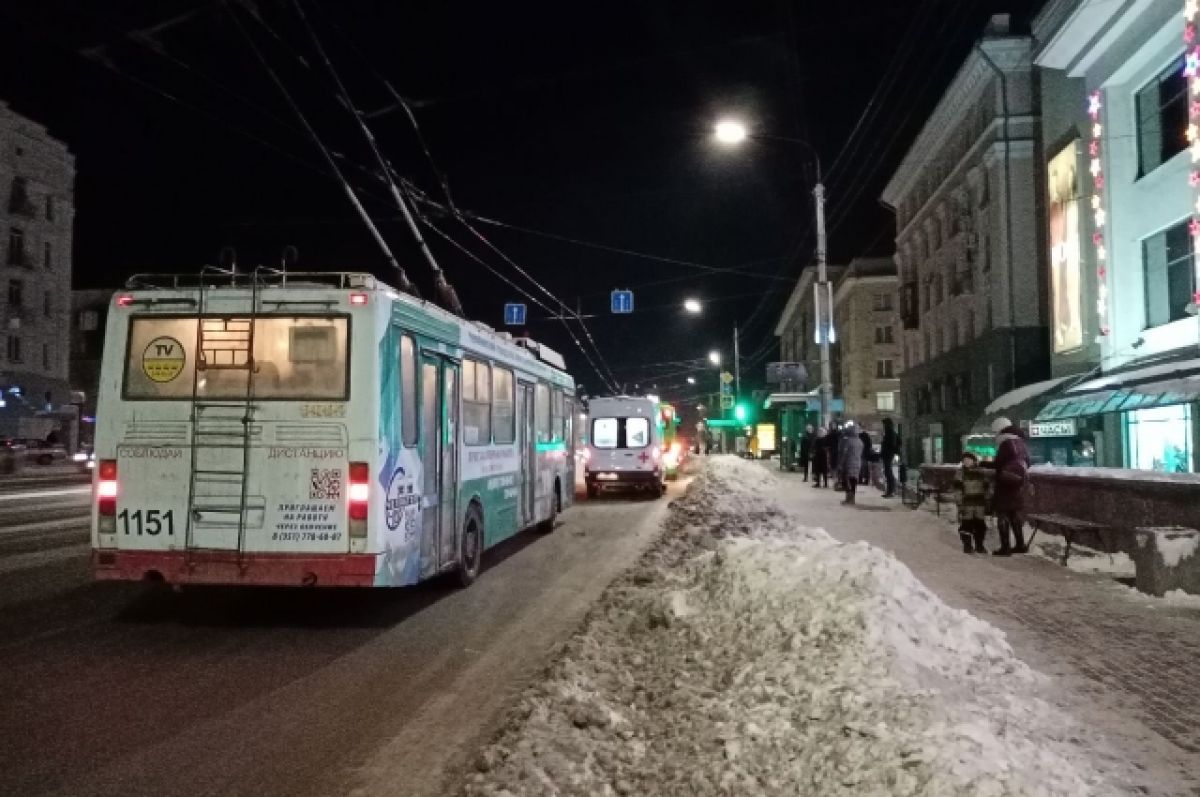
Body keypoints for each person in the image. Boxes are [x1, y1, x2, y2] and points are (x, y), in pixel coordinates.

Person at [985, 416, 1031, 556]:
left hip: (1005, 483)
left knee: (1002, 514)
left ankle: (1005, 548)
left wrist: (983, 463)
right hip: (1018, 483)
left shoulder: (1006, 443)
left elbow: (998, 464)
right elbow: (1028, 462)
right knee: (1014, 513)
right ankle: (1020, 544)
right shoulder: (1020, 443)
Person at [954, 451, 990, 554]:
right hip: (967, 504)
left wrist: (987, 501)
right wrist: (960, 503)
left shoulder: (982, 472)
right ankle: (967, 545)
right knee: (966, 525)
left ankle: (979, 545)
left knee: (980, 525)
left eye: (968, 460)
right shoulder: (960, 473)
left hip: (979, 504)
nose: (966, 462)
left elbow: (987, 488)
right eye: (964, 460)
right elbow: (957, 490)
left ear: (974, 461)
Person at [838, 422, 864, 505]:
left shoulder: (848, 441)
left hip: (848, 463)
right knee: (854, 481)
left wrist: (841, 464)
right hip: (858, 463)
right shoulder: (860, 441)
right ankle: (852, 499)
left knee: (847, 481)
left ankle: (848, 498)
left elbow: (844, 453)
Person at [880, 418, 899, 498]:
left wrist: (886, 448)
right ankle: (889, 491)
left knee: (888, 472)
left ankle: (891, 491)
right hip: (887, 454)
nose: (883, 426)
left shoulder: (890, 433)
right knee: (887, 472)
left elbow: (891, 444)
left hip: (888, 454)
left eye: (884, 424)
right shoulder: (889, 432)